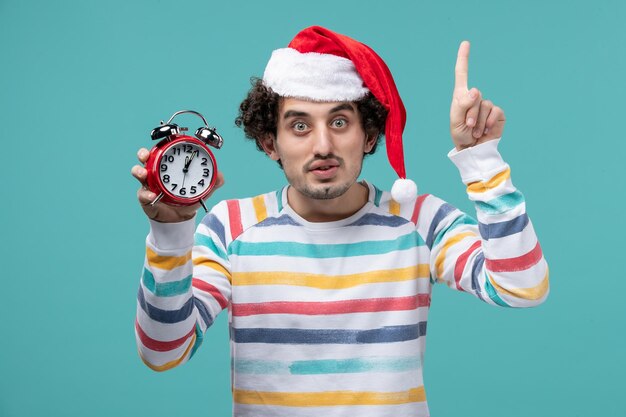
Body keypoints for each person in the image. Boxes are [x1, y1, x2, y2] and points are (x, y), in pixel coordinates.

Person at [131, 26, 549, 417]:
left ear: (368, 135)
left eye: (339, 121)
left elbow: (522, 287)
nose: (323, 145)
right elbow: (163, 351)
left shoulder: (418, 220)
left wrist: (481, 160)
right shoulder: (231, 227)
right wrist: (170, 234)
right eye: (299, 125)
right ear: (269, 142)